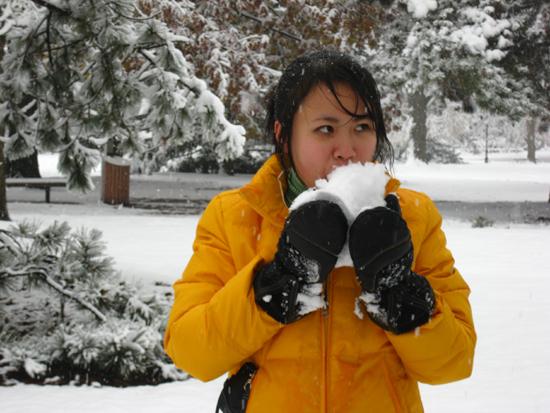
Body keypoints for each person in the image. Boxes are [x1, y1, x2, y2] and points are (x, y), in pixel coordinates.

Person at [164, 50, 476, 413]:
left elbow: (454, 363)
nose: (347, 150)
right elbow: (191, 352)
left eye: (362, 127)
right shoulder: (235, 217)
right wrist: (275, 285)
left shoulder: (413, 218)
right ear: (283, 135)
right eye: (325, 129)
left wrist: (399, 294)